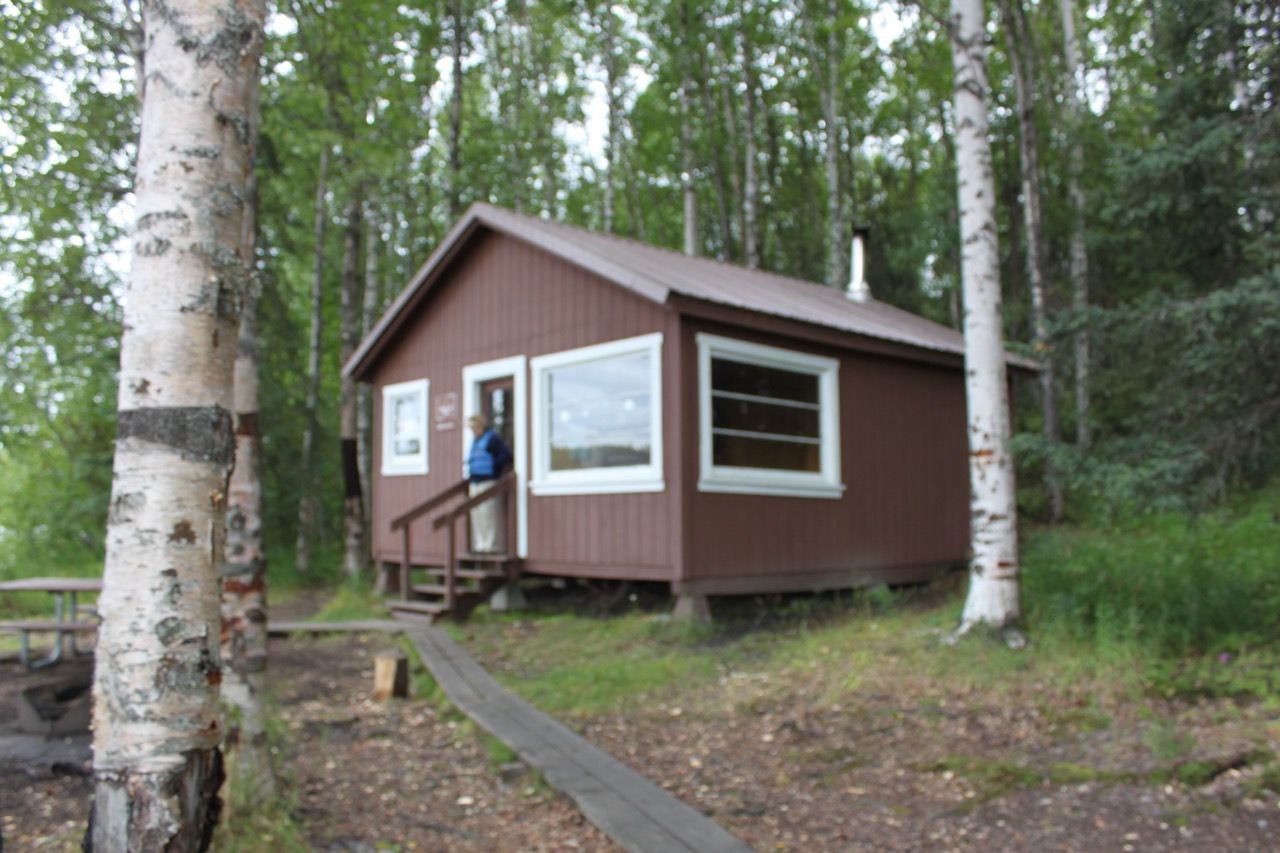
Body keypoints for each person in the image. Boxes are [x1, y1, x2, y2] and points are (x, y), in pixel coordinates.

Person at [466, 413, 512, 552]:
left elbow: (506, 455)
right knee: (476, 513)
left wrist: (493, 466)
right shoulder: (475, 441)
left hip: (488, 481)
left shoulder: (492, 439)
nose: (473, 430)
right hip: (474, 481)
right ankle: (480, 543)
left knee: (487, 513)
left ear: (480, 425)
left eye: (474, 427)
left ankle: (490, 544)